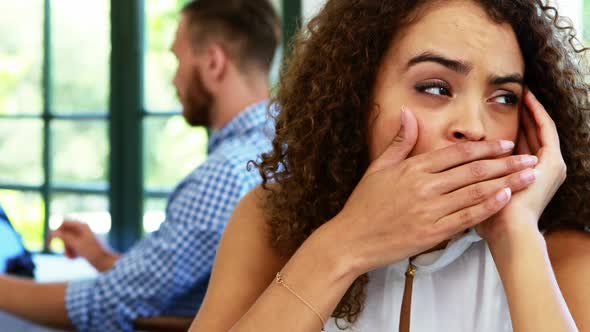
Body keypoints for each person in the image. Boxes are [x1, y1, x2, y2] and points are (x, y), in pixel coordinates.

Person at [189, 0, 590, 331]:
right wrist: (345, 243)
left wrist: (516, 236)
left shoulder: (560, 252)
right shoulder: (272, 221)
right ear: (357, 95)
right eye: (435, 88)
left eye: (504, 97)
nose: (474, 127)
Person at [0, 0, 280, 331]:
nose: (174, 80)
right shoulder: (277, 148)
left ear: (214, 63)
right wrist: (104, 260)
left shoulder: (225, 174)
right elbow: (195, 290)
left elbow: (103, 306)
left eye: (177, 59)